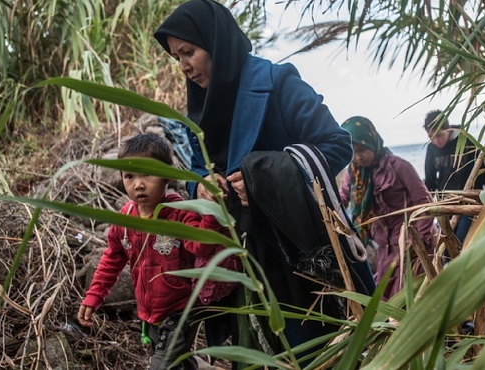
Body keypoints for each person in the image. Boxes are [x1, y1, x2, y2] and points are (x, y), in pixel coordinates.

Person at [153, 0, 374, 365]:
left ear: (217, 42)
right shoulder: (200, 108)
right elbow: (195, 167)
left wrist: (260, 177)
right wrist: (201, 184)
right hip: (235, 260)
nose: (184, 67)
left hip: (297, 255)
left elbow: (337, 145)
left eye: (188, 52)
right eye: (176, 57)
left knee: (314, 352)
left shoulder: (277, 81)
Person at [77, 133, 241, 370]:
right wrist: (94, 296)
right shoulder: (124, 220)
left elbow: (201, 246)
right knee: (176, 360)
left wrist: (211, 213)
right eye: (129, 176)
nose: (138, 184)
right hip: (150, 310)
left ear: (167, 177)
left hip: (181, 310)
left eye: (147, 174)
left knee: (162, 365)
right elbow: (112, 258)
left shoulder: (179, 213)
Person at [338, 116, 437, 300]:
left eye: (362, 149)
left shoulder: (400, 166)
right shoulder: (353, 175)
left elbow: (424, 202)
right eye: (352, 152)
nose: (358, 156)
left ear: (372, 141)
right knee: (384, 298)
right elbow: (341, 202)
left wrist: (419, 241)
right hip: (384, 247)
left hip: (410, 242)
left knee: (409, 297)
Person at [423, 109, 485, 245]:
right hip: (446, 202)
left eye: (439, 135)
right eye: (431, 137)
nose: (436, 141)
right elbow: (430, 179)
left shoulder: (465, 139)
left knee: (460, 240)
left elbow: (482, 168)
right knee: (444, 243)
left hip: (468, 200)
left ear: (447, 129)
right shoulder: (431, 149)